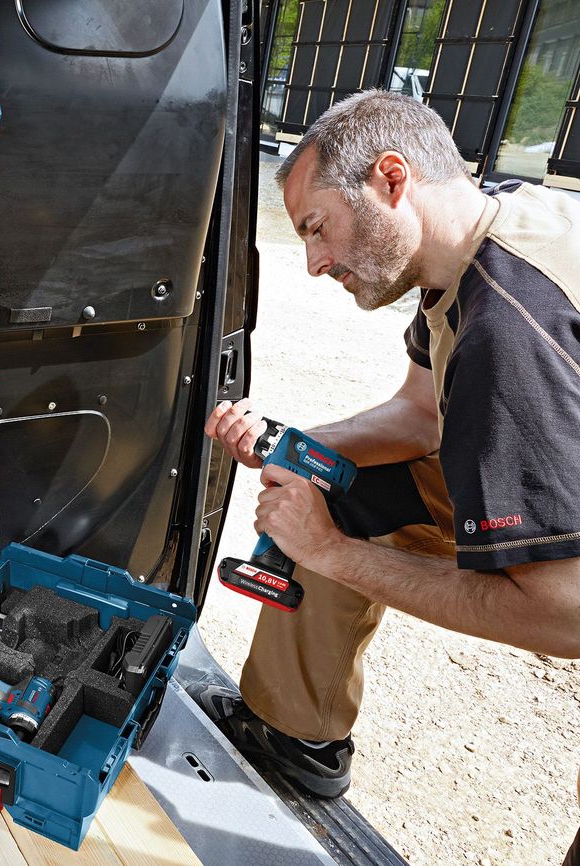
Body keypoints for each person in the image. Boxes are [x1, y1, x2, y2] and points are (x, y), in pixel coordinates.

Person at [196, 89, 580, 864]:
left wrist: (329, 552)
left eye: (317, 228)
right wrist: (294, 445)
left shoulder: (506, 334)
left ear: (392, 180)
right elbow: (417, 417)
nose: (314, 263)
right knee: (347, 493)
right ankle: (297, 735)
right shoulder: (481, 235)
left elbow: (566, 616)